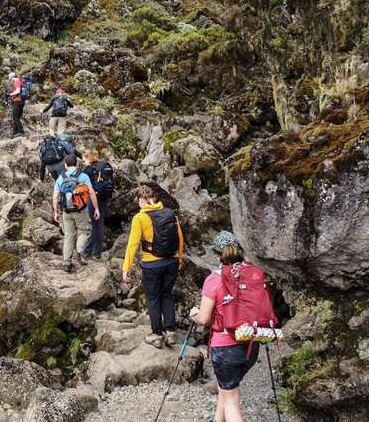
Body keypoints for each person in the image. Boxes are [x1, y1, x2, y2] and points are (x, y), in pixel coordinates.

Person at [190, 231, 260, 422]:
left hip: (226, 347)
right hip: (251, 346)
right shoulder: (252, 274)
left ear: (217, 255)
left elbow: (204, 318)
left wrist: (193, 314)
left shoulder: (214, 279)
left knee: (231, 400)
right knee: (226, 389)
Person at [122, 185, 185, 348]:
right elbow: (179, 238)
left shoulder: (139, 218)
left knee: (153, 297)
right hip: (171, 261)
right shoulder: (170, 213)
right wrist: (179, 258)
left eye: (139, 201)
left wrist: (126, 267)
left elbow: (133, 244)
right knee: (167, 294)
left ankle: (156, 334)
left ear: (142, 200)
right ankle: (170, 331)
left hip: (152, 264)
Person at [53, 155, 100, 273]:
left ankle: (67, 263)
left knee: (69, 235)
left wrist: (56, 212)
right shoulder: (83, 176)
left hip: (66, 211)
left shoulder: (61, 177)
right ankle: (80, 249)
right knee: (84, 231)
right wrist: (96, 208)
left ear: (65, 164)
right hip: (81, 210)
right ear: (77, 164)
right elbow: (92, 193)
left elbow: (55, 196)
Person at [83, 150, 113, 258]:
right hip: (104, 197)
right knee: (100, 224)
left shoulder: (88, 170)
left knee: (93, 225)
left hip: (93, 197)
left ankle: (87, 251)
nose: (83, 162)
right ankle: (97, 252)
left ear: (89, 158)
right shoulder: (105, 165)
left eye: (84, 159)